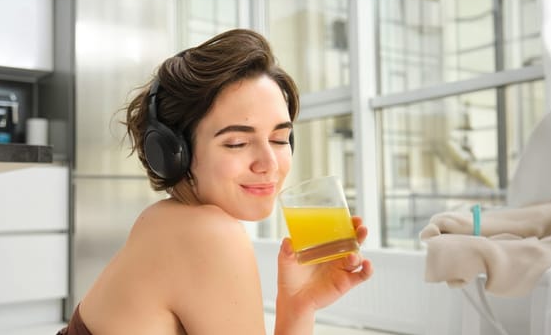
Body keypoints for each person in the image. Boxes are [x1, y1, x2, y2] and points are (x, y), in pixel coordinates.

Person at [58, 29, 373, 335]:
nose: (270, 164)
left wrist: (300, 304)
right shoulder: (209, 232)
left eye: (280, 138)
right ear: (172, 153)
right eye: (236, 143)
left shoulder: (164, 217)